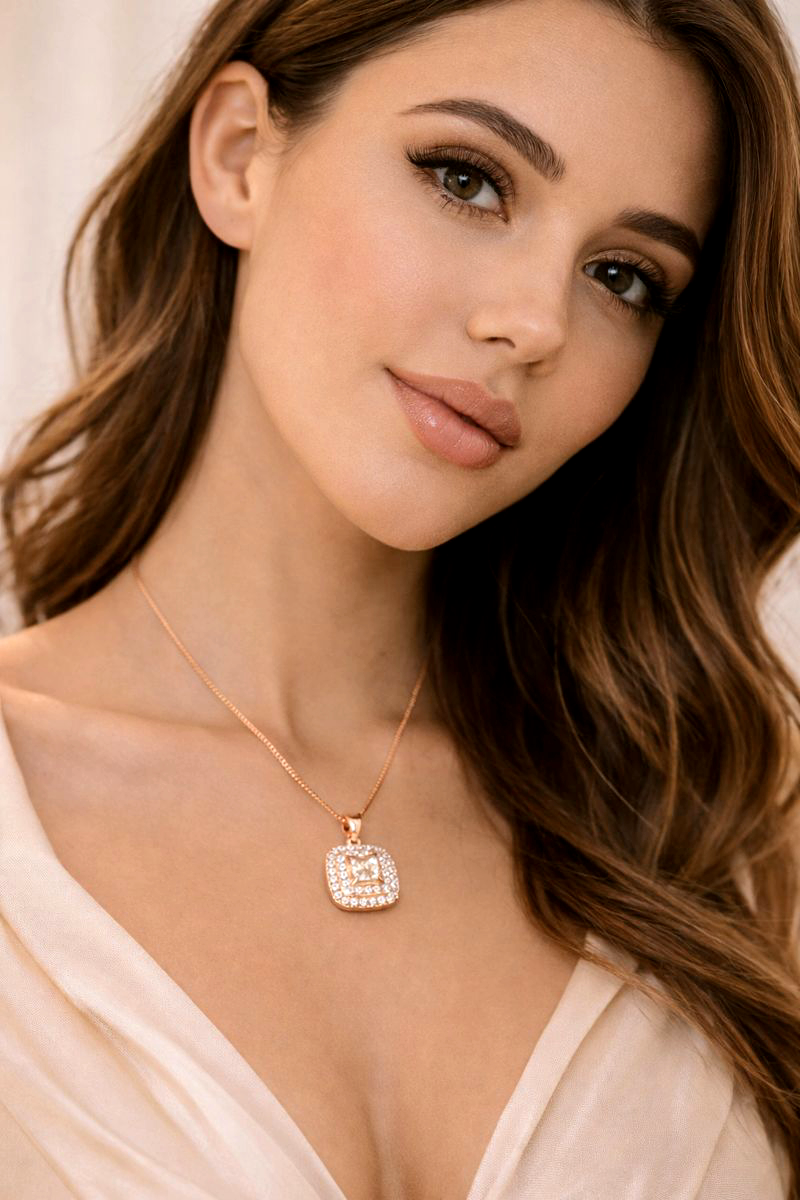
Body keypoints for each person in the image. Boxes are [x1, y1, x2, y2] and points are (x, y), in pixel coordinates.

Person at [0, 0, 798, 1195]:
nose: (530, 325)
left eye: (622, 275)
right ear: (236, 159)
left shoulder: (710, 824)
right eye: (466, 179)